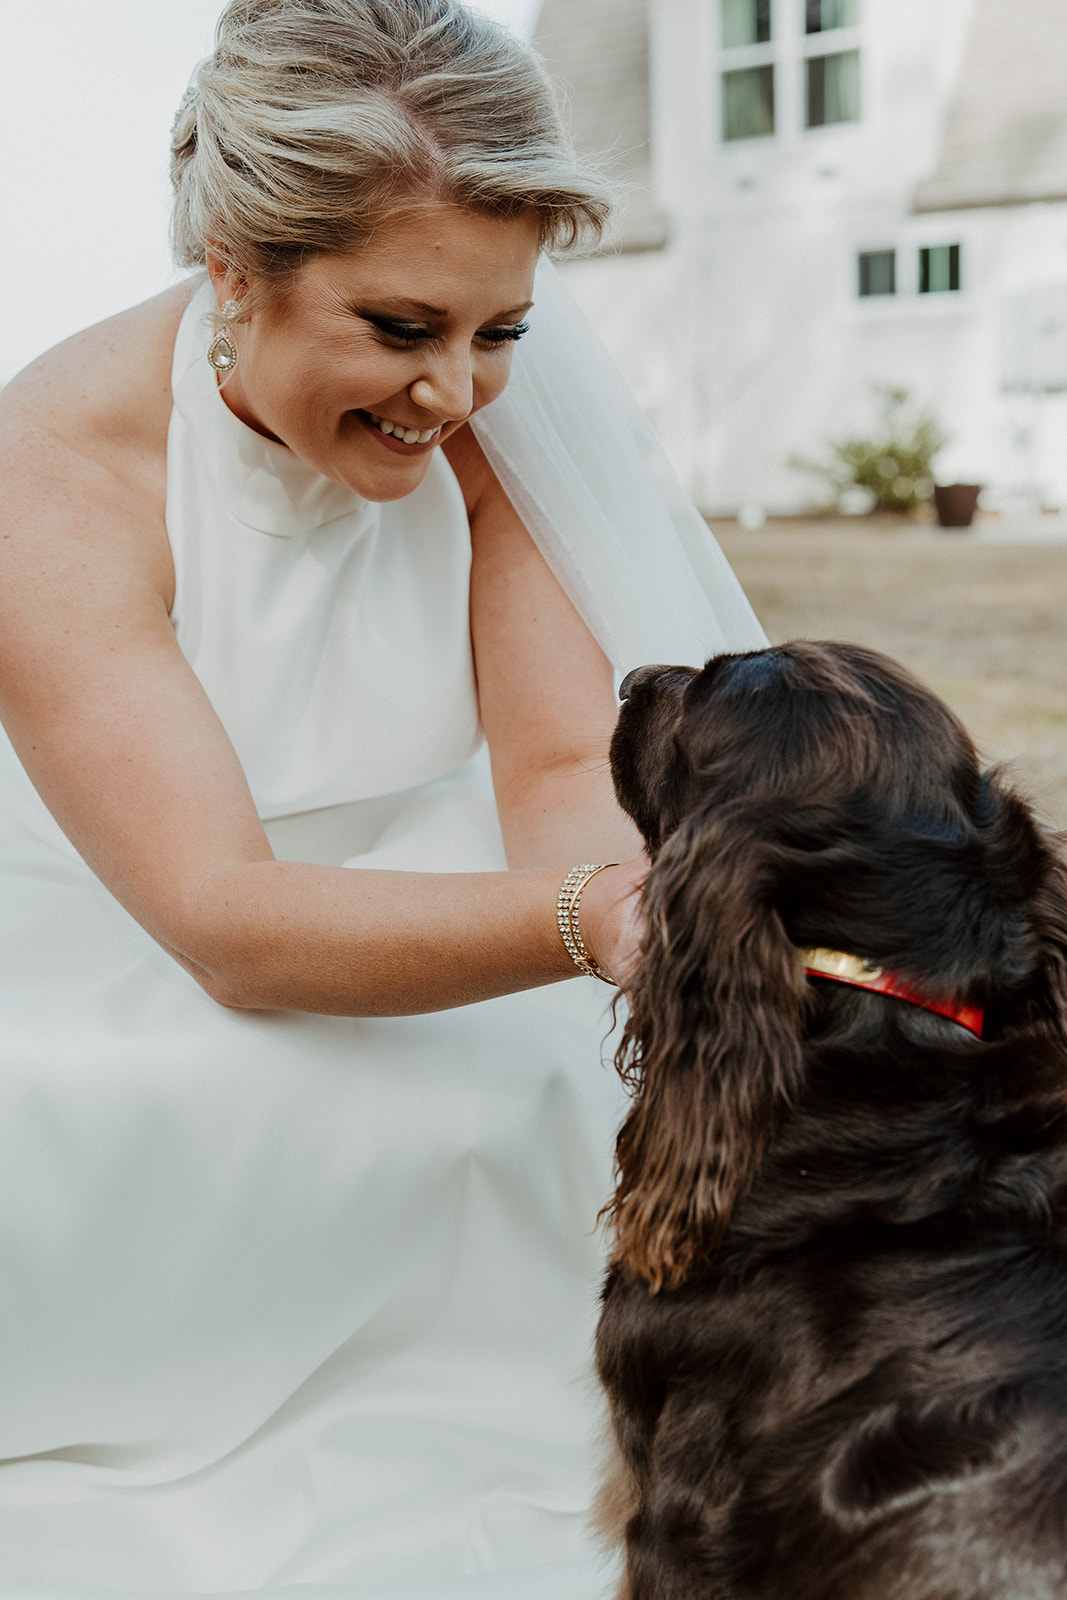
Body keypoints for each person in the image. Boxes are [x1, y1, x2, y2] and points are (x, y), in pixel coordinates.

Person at [0, 2, 765, 1596]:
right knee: (162, 1122)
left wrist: (617, 931)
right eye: (402, 327)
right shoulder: (48, 476)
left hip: (451, 871)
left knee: (571, 1090)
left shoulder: (494, 406)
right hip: (135, 915)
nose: (457, 393)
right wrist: (588, 920)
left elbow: (561, 766)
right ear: (231, 266)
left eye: (502, 332)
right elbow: (219, 917)